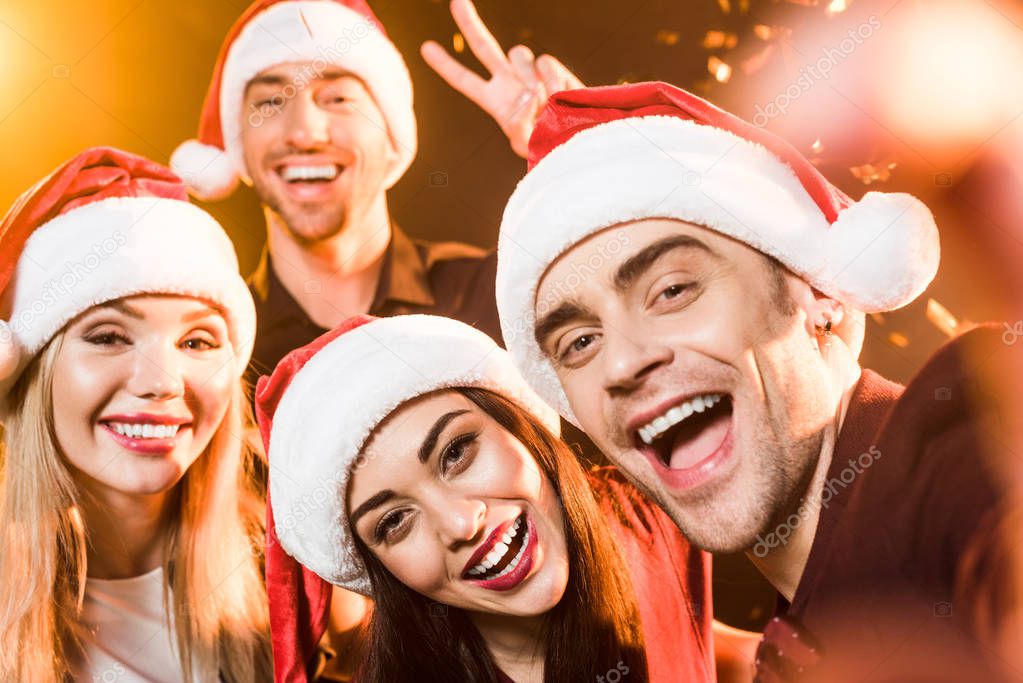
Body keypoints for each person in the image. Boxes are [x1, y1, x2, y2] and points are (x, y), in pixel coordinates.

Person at [494, 82, 1017, 680]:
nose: (620, 365)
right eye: (580, 343)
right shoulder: (794, 643)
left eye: (671, 291)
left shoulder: (959, 448)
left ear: (819, 293)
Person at [254, 314, 722, 682]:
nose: (461, 524)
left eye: (456, 453)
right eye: (394, 521)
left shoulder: (652, 512)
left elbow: (694, 641)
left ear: (520, 424)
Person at [170, 0, 582, 381]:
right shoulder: (212, 348)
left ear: (391, 136)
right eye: (271, 102)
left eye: (337, 97)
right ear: (239, 141)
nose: (304, 132)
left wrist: (578, 153)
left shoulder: (502, 294)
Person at [0, 148, 271, 681]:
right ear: (32, 371)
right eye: (108, 337)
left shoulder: (290, 579)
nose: (162, 383)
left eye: (197, 341)